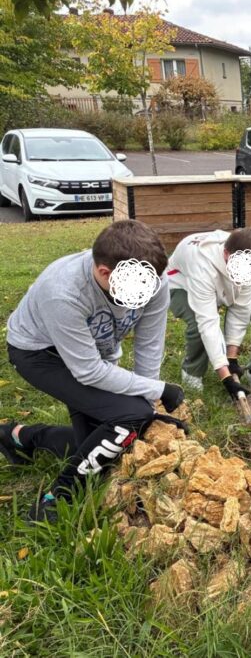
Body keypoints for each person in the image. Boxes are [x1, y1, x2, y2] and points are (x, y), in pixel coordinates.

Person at [2, 221, 184, 522]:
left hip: (93, 355)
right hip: (39, 353)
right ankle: (58, 497)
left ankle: (19, 437)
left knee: (106, 443)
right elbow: (87, 372)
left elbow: (149, 347)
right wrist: (159, 391)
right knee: (129, 417)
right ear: (104, 273)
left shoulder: (155, 281)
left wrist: (149, 400)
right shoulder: (63, 292)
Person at [167, 228, 251, 397]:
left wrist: (231, 358)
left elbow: (240, 310)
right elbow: (208, 323)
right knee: (197, 321)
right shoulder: (201, 263)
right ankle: (192, 372)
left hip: (224, 283)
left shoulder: (249, 262)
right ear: (227, 253)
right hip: (181, 284)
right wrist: (226, 377)